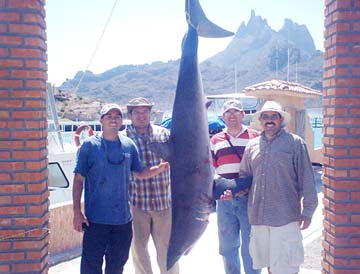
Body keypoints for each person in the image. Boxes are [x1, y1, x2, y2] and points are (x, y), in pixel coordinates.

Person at [72, 103, 169, 274]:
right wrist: (77, 213)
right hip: (95, 220)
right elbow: (78, 180)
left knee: (116, 266)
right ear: (101, 120)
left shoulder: (128, 145)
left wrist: (158, 169)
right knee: (91, 266)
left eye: (117, 116)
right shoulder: (88, 146)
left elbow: (139, 172)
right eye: (109, 116)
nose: (113, 119)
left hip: (123, 221)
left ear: (121, 120)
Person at [238, 100, 318, 274]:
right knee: (269, 264)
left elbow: (307, 179)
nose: (269, 120)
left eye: (274, 116)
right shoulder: (251, 146)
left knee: (287, 266)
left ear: (281, 119)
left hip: (285, 215)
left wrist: (308, 211)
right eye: (265, 116)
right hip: (259, 216)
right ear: (260, 120)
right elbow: (245, 177)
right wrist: (230, 190)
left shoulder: (295, 143)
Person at [125, 97, 179, 274]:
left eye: (145, 111)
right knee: (139, 251)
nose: (141, 116)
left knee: (167, 251)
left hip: (164, 202)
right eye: (137, 112)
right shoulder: (124, 138)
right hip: (136, 203)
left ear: (150, 113)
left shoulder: (164, 134)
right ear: (130, 114)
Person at [210, 99, 261, 274]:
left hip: (250, 200)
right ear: (223, 116)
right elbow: (211, 169)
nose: (232, 115)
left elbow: (262, 167)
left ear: (243, 114)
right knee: (227, 247)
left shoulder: (256, 137)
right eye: (228, 112)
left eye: (236, 111)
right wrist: (220, 189)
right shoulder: (215, 140)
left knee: (251, 246)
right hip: (225, 203)